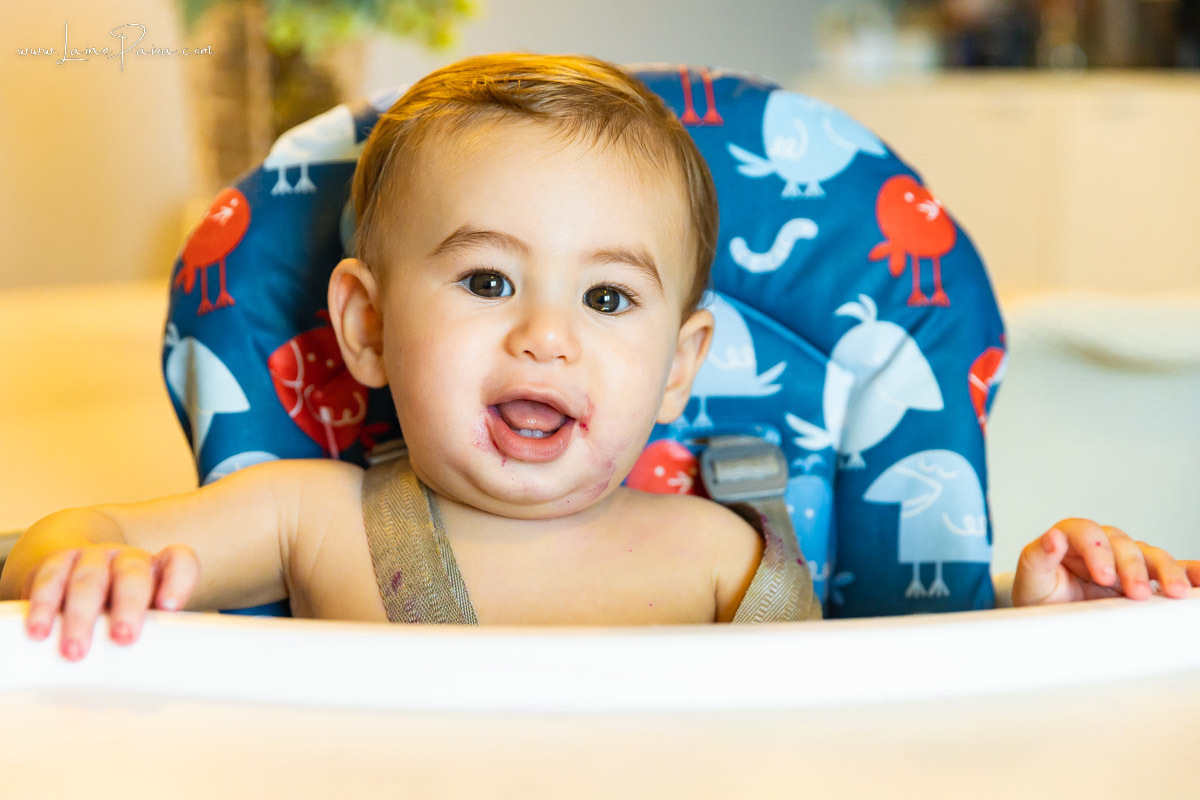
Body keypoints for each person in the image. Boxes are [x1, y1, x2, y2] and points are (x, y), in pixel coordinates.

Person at [1, 53, 1196, 661]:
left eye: (609, 295)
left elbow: (899, 692)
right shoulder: (307, 516)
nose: (546, 333)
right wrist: (77, 569)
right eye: (485, 280)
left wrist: (1042, 618)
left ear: (680, 367)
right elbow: (71, 540)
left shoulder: (730, 549)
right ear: (362, 326)